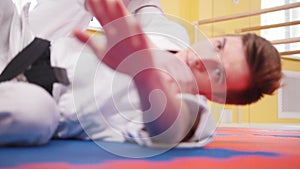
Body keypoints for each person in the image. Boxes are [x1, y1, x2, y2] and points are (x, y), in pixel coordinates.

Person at [0, 0, 281, 148]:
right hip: (23, 40)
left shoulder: (194, 116)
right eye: (218, 46)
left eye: (217, 73)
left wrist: (143, 74)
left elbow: (170, 128)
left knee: (35, 114)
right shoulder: (172, 34)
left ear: (221, 98)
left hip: (33, 100)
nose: (203, 60)